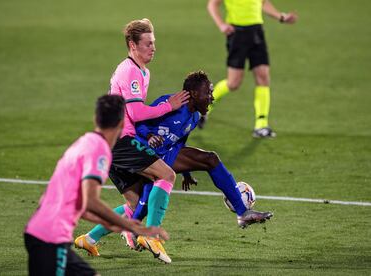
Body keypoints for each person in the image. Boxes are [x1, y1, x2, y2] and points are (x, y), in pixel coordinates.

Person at [75, 71, 273, 261]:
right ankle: (142, 233)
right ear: (194, 94)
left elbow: (179, 143)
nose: (212, 97)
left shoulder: (194, 117)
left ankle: (89, 239)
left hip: (155, 157)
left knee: (137, 206)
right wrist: (150, 136)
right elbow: (140, 123)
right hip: (136, 153)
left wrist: (186, 171)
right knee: (206, 161)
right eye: (208, 92)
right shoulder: (170, 103)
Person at [75, 18, 189, 264]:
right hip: (119, 142)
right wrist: (168, 106)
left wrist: (148, 134)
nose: (153, 48)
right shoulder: (129, 70)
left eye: (154, 43)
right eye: (148, 43)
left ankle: (89, 239)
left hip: (114, 142)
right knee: (167, 175)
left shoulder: (143, 71)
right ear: (132, 45)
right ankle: (152, 237)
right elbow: (136, 112)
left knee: (136, 204)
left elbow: (132, 114)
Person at [24, 95, 168, 276]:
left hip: (41, 230)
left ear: (95, 118)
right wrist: (134, 227)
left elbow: (80, 204)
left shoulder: (83, 142)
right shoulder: (99, 150)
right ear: (122, 123)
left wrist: (109, 222)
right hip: (50, 238)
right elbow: (91, 201)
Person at [205, 0, 298, 137]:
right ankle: (207, 105)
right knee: (233, 83)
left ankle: (261, 125)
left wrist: (281, 17)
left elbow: (263, 3)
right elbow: (212, 4)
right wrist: (221, 25)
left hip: (257, 32)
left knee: (263, 76)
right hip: (237, 34)